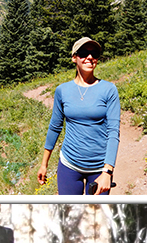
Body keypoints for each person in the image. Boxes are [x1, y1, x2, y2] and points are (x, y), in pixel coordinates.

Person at [38, 37, 120, 195]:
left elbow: (113, 132)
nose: (89, 57)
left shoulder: (109, 90)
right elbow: (55, 127)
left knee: (96, 218)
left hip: (99, 169)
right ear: (74, 58)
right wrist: (44, 164)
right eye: (83, 53)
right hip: (69, 165)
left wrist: (107, 172)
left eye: (94, 53)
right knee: (70, 216)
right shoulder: (62, 90)